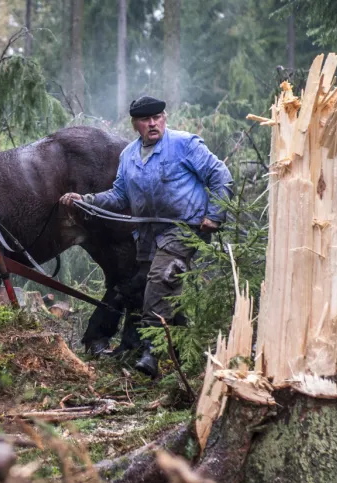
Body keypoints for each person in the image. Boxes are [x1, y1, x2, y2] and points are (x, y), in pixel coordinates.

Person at [61, 95, 233, 378]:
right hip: (148, 236)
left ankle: (152, 353)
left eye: (158, 117)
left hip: (184, 230)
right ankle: (186, 352)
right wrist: (87, 200)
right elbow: (118, 196)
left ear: (164, 117)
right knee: (145, 288)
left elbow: (220, 175)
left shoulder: (185, 144)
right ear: (135, 124)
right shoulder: (128, 156)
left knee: (160, 279)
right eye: (145, 119)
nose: (153, 123)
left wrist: (214, 215)